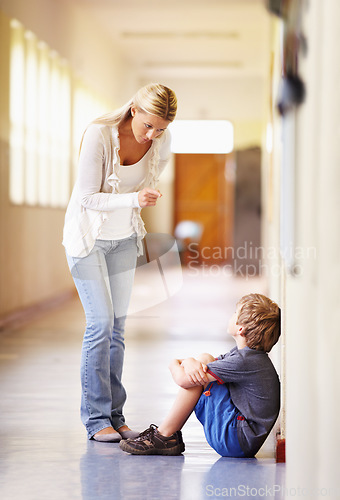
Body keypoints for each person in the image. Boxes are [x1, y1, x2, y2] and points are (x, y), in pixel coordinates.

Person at [62, 83, 177, 442]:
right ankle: (96, 421)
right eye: (149, 125)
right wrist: (133, 200)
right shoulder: (99, 135)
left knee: (117, 329)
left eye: (161, 129)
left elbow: (148, 180)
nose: (152, 135)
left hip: (125, 240)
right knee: (99, 323)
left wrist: (141, 199)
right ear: (133, 111)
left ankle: (115, 416)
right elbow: (85, 199)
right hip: (87, 240)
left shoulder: (161, 141)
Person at [119, 293, 281, 457]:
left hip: (235, 440)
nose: (231, 316)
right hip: (242, 439)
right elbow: (204, 365)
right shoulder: (246, 357)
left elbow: (183, 379)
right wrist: (190, 362)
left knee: (200, 373)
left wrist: (174, 362)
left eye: (235, 313)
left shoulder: (245, 361)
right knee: (204, 361)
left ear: (241, 329)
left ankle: (164, 436)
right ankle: (166, 435)